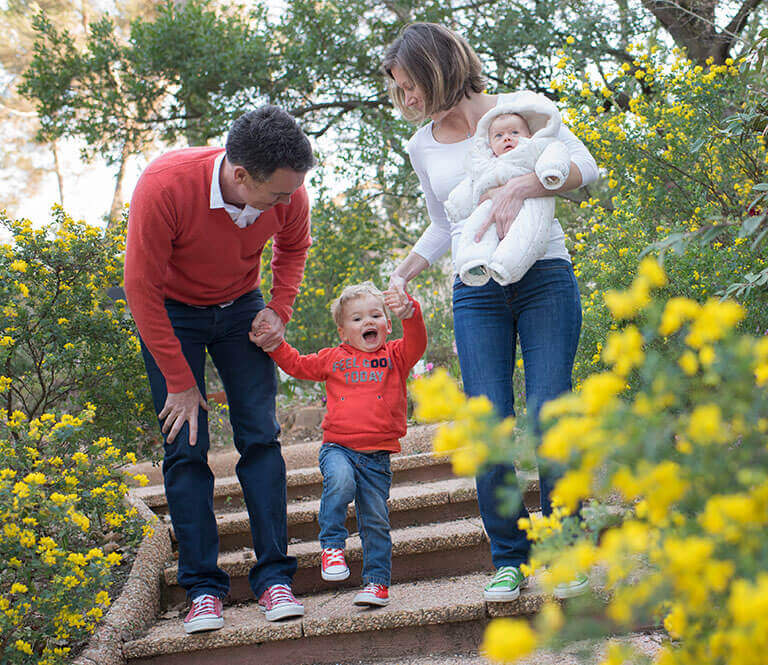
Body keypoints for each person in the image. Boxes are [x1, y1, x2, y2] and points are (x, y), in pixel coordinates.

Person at [381, 22, 599, 602]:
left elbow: (587, 172)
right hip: (475, 288)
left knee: (550, 407)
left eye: (410, 86)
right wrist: (403, 274)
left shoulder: (520, 110)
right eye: (398, 91)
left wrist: (524, 185)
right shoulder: (421, 144)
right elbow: (441, 223)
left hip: (545, 276)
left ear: (439, 67)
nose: (406, 100)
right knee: (488, 421)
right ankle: (508, 557)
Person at [123, 104, 315, 634]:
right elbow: (140, 291)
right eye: (277, 193)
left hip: (241, 308)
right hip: (173, 314)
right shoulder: (165, 185)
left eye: (291, 192)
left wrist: (278, 310)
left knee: (260, 437)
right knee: (185, 447)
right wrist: (181, 383)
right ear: (239, 175)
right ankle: (203, 591)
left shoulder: (289, 190)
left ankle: (275, 578)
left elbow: (294, 247)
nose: (287, 200)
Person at [250, 282, 427, 608]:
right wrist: (275, 345)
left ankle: (377, 584)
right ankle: (332, 545)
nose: (368, 322)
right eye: (357, 319)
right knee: (341, 481)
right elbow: (297, 364)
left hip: (377, 456)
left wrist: (410, 312)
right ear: (343, 331)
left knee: (375, 521)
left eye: (376, 315)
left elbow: (418, 341)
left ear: (388, 324)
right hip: (339, 448)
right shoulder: (334, 358)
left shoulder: (396, 356)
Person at [447, 95, 572, 287]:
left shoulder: (534, 148)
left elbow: (556, 151)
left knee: (527, 232)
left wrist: (551, 170)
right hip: (490, 207)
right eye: (498, 136)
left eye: (515, 132)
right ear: (489, 143)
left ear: (529, 135)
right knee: (478, 228)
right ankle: (474, 261)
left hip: (532, 202)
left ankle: (507, 266)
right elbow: (470, 184)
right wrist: (456, 205)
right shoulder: (485, 162)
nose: (507, 137)